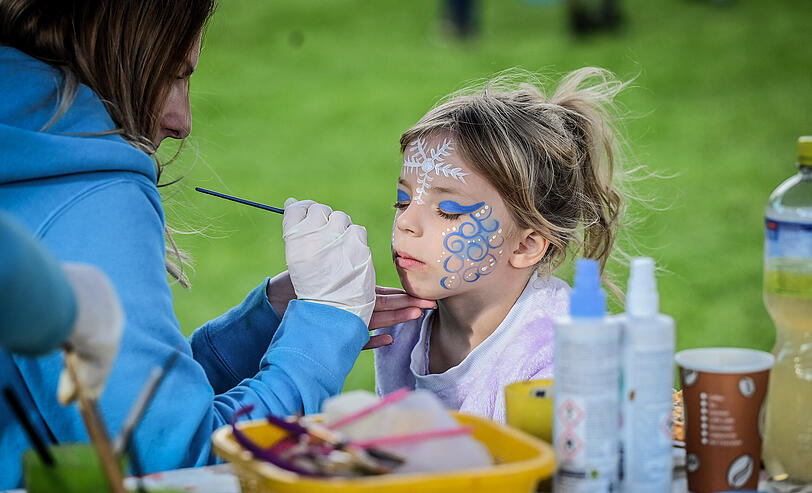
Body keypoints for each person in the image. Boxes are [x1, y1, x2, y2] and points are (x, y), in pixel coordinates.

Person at [0, 1, 431, 488]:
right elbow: (175, 465)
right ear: (114, 49)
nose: (181, 119)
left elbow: (119, 407)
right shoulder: (88, 190)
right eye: (172, 73)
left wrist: (271, 320)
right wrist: (322, 330)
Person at [374, 67, 629, 422]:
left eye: (448, 211)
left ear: (525, 246)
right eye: (403, 201)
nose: (405, 222)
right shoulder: (399, 327)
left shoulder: (559, 353)